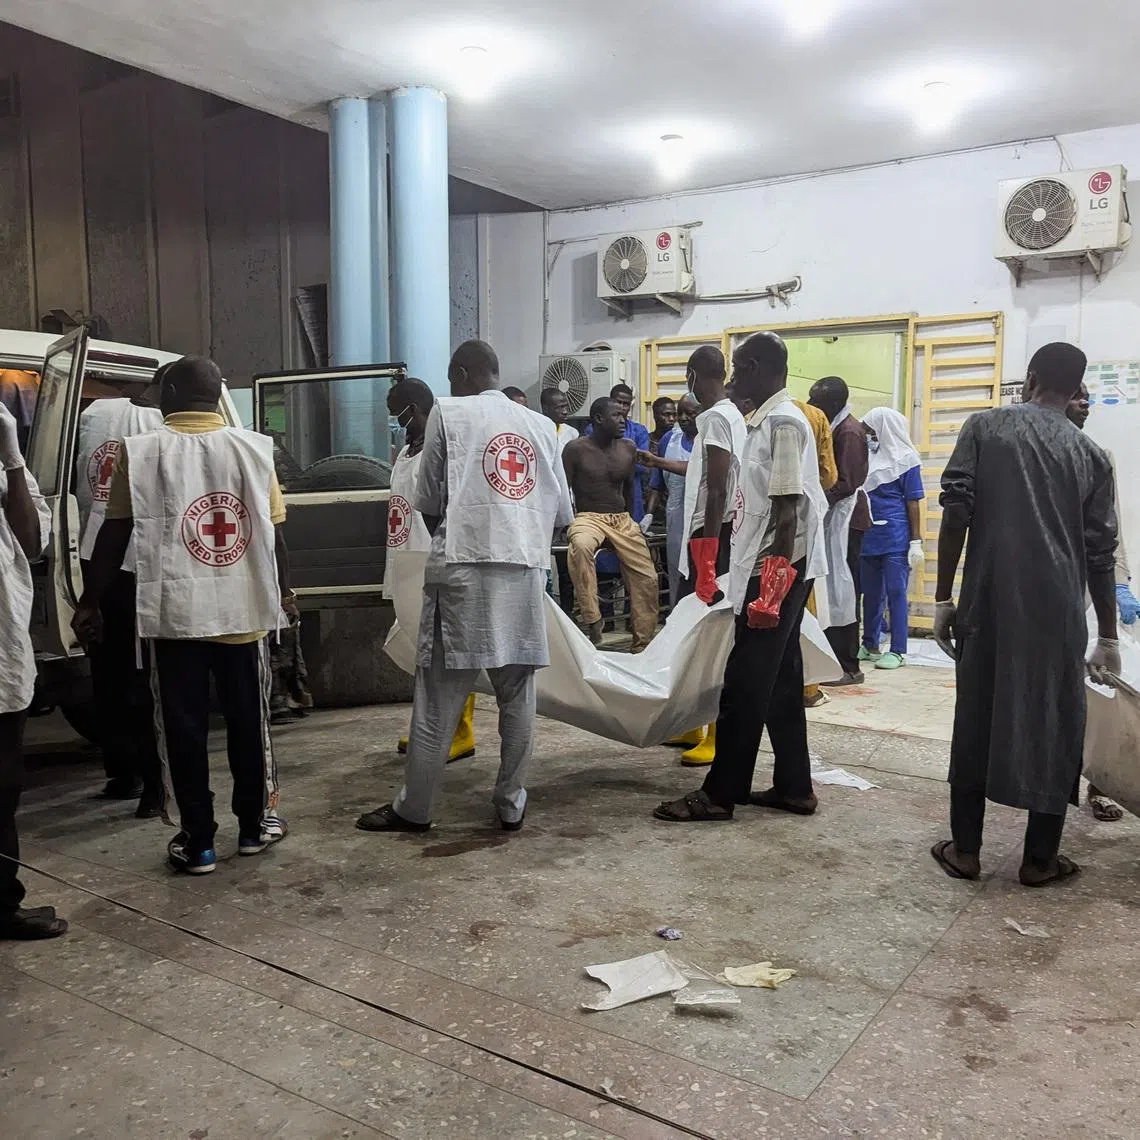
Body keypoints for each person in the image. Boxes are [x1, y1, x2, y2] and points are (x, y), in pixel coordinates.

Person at [73, 355, 295, 876]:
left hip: (174, 617)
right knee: (247, 723)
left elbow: (114, 533)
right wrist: (285, 594)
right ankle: (254, 826)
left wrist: (89, 601)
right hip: (243, 614)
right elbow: (274, 534)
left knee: (182, 728)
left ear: (170, 391)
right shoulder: (255, 449)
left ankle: (197, 842)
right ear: (217, 395)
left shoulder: (142, 452)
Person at [356, 340, 571, 834]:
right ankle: (511, 803)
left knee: (437, 695)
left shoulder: (447, 414)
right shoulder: (541, 426)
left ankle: (415, 809)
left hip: (463, 568)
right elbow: (562, 513)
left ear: (461, 371)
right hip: (523, 571)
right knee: (518, 693)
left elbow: (428, 499)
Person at [930, 342, 1119, 887]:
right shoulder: (1091, 456)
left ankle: (965, 849)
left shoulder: (984, 428)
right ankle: (1040, 858)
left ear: (1030, 377)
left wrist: (944, 597)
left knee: (977, 716)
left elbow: (956, 512)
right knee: (1055, 721)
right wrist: (1107, 634)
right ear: (1077, 389)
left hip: (988, 601)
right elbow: (1100, 553)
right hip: (1059, 611)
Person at [654, 332, 828, 823]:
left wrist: (769, 592)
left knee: (745, 682)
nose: (730, 378)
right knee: (782, 682)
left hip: (777, 568)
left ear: (753, 366)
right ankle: (796, 787)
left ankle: (720, 793)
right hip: (773, 564)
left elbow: (789, 510)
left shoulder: (784, 423)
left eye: (736, 368)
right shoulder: (760, 422)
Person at [640, 346, 746, 765]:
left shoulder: (719, 417)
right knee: (691, 632)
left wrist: (708, 555)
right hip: (711, 537)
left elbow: (718, 489)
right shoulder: (729, 416)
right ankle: (690, 723)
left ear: (691, 375)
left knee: (709, 638)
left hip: (711, 540)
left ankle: (716, 731)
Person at [75, 373, 165, 812]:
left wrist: (89, 597)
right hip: (154, 568)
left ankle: (128, 774)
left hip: (103, 566)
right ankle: (151, 783)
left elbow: (105, 519)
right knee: (147, 682)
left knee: (112, 677)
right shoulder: (167, 430)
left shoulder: (93, 417)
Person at [0, 403, 67, 940]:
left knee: (3, 785)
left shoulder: (3, 460)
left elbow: (29, 540)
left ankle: (3, 901)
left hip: (3, 650)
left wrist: (13, 458)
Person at [386, 377, 476, 763]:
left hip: (431, 559)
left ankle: (460, 730)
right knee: (419, 649)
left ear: (416, 409)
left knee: (447, 648)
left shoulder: (441, 448)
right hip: (405, 559)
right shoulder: (407, 450)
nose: (395, 422)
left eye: (398, 415)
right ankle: (431, 724)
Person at [1066, 382, 1138, 823]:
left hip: (1095, 581)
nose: (1084, 404)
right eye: (1077, 396)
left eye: (1088, 398)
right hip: (1051, 586)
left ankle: (1102, 783)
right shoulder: (1026, 455)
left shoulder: (1097, 456)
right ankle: (1061, 779)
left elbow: (1109, 531)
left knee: (1104, 684)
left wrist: (1121, 580)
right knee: (1065, 693)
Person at [563, 397, 659, 651]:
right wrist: (565, 524)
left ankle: (643, 642)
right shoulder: (575, 449)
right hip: (588, 517)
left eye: (623, 414)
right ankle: (592, 617)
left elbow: (629, 490)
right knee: (581, 547)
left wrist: (633, 522)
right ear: (598, 419)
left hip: (621, 519)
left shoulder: (627, 448)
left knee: (647, 576)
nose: (623, 419)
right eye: (616, 415)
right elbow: (564, 491)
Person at [809, 376, 871, 685]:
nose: (811, 407)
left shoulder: (848, 432)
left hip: (846, 520)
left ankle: (849, 665)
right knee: (833, 591)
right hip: (836, 518)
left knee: (845, 592)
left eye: (815, 401)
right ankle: (836, 661)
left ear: (832, 404)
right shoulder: (836, 426)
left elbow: (844, 483)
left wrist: (812, 500)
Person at [858, 408, 925, 671]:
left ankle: (898, 649)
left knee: (896, 593)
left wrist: (916, 541)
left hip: (896, 537)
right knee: (871, 594)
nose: (870, 437)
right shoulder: (870, 461)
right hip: (869, 535)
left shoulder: (907, 460)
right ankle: (870, 644)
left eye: (872, 432)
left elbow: (913, 502)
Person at [794, 398, 839, 708]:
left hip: (746, 527)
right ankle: (808, 688)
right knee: (802, 608)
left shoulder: (739, 414)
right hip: (802, 520)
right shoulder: (814, 416)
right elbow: (829, 475)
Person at [644, 394, 698, 604]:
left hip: (704, 520)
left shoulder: (710, 440)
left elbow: (698, 470)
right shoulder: (670, 440)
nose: (683, 418)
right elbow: (657, 483)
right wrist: (649, 513)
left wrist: (658, 462)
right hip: (676, 521)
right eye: (680, 413)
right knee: (677, 574)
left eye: (689, 414)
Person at [540, 387, 580, 616]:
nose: (565, 410)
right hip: (544, 504)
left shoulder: (572, 434)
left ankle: (567, 612)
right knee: (544, 561)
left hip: (567, 502)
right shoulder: (537, 429)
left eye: (567, 405)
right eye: (559, 406)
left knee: (566, 563)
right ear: (546, 409)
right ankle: (548, 610)